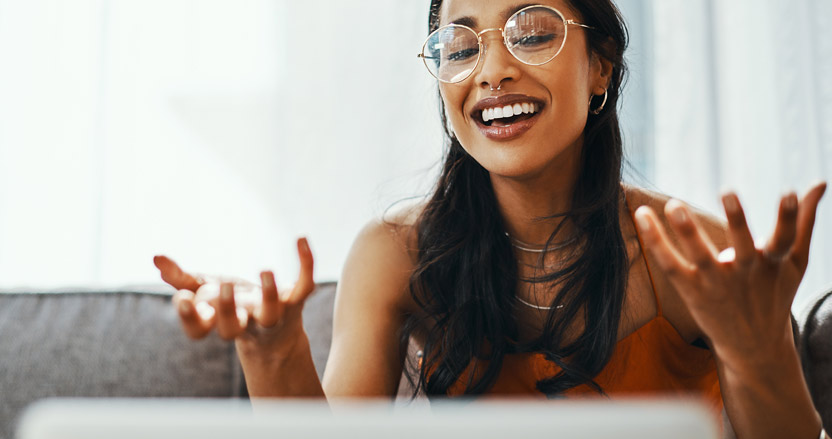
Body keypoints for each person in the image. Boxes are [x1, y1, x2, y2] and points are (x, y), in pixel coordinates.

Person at [153, 1, 827, 438]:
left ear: (600, 68)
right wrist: (274, 348)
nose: (493, 71)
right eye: (461, 45)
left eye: (532, 33)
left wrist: (758, 343)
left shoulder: (687, 252)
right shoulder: (396, 255)